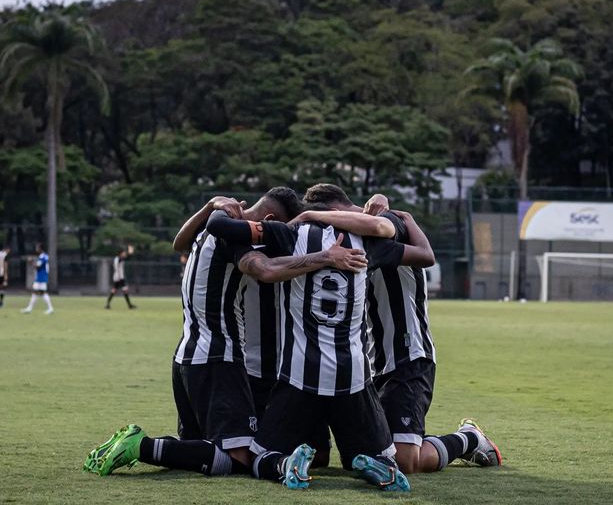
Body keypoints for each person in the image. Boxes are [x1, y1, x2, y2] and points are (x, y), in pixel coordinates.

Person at [84, 188, 368, 479]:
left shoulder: (211, 223)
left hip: (186, 356)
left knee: (198, 448)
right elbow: (265, 270)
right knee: (241, 459)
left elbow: (178, 242)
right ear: (267, 220)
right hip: (218, 355)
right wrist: (325, 257)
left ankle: (141, 445)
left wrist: (209, 205)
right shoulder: (234, 236)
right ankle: (140, 446)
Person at [206, 204, 433, 492]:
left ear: (309, 207)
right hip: (353, 380)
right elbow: (423, 254)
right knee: (383, 455)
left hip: (300, 377)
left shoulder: (289, 234)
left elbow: (219, 226)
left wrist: (218, 204)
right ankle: (381, 466)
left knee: (259, 456)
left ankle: (284, 465)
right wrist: (393, 210)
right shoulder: (368, 243)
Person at [303, 184, 502, 474]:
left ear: (334, 211)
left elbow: (415, 246)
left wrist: (379, 200)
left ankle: (469, 439)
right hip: (373, 362)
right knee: (368, 455)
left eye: (324, 218)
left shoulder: (389, 221)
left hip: (409, 355)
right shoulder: (349, 238)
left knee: (405, 462)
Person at [21, 243, 54, 315]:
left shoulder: (43, 257)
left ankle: (49, 308)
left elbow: (37, 266)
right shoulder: (44, 256)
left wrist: (31, 261)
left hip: (41, 277)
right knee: (38, 292)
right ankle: (29, 308)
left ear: (40, 249)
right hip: (41, 276)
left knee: (40, 292)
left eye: (37, 248)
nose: (36, 249)